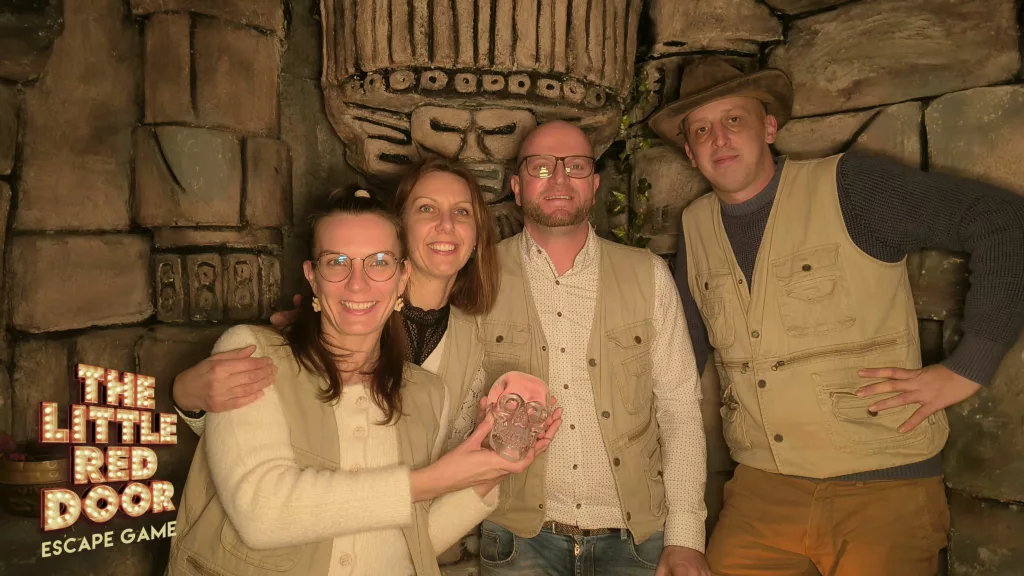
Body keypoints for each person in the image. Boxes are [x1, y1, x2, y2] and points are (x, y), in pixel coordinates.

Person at [648, 57, 1024, 576]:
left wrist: (967, 368)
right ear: (691, 152)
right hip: (760, 493)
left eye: (734, 119)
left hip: (883, 487)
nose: (720, 139)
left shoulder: (849, 188)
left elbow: (1002, 221)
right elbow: (682, 354)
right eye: (702, 129)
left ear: (769, 127)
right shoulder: (696, 225)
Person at [167, 190, 559, 576]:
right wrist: (430, 481)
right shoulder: (253, 353)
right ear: (313, 278)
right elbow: (261, 514)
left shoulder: (428, 394)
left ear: (402, 278)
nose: (358, 283)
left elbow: (412, 541)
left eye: (380, 262)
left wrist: (487, 473)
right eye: (337, 262)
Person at [474, 120, 710, 576]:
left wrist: (685, 536)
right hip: (518, 540)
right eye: (542, 167)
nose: (560, 179)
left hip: (637, 541)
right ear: (517, 187)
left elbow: (679, 410)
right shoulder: (479, 277)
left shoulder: (648, 275)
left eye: (577, 166)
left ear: (595, 184)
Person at [170, 158, 510, 446]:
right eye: (426, 208)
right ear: (397, 227)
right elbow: (242, 435)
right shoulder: (344, 310)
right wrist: (187, 397)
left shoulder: (475, 341)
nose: (446, 225)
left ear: (477, 235)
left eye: (462, 212)